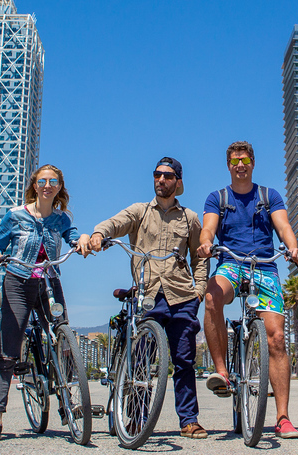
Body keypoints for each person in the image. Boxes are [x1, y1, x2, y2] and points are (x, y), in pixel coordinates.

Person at [88, 157, 210, 439]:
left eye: (167, 176)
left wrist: (199, 290)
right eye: (157, 175)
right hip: (147, 294)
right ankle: (137, 418)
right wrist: (99, 233)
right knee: (141, 360)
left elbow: (200, 256)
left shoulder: (189, 218)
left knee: (184, 360)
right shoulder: (139, 212)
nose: (161, 180)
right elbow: (115, 223)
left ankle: (189, 420)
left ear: (177, 182)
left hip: (181, 295)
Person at [197, 141, 298, 439]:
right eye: (234, 161)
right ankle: (222, 372)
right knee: (211, 296)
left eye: (244, 159)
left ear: (253, 162)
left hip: (265, 266)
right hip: (231, 263)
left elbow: (282, 227)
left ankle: (282, 417)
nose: (240, 165)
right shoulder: (217, 198)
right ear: (228, 165)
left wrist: (293, 247)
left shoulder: (269, 196)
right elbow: (208, 227)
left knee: (278, 338)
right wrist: (206, 242)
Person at [0, 164, 89, 443]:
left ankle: (68, 400)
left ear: (59, 187)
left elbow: (72, 235)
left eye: (53, 181)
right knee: (9, 349)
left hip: (49, 281)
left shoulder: (61, 218)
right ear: (35, 185)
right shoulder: (16, 215)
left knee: (63, 337)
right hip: (18, 280)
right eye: (43, 181)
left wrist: (80, 243)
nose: (48, 185)